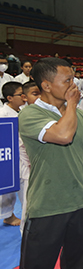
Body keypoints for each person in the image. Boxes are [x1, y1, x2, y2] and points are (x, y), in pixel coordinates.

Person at [18, 57, 83, 268]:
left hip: (81, 204)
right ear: (46, 85)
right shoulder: (30, 114)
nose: (73, 85)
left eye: (73, 79)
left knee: (78, 263)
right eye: (67, 81)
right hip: (47, 208)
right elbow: (63, 135)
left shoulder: (81, 116)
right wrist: (73, 104)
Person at [0, 81, 24, 227]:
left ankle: (9, 215)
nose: (23, 96)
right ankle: (8, 215)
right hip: (7, 154)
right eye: (20, 94)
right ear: (10, 98)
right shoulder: (3, 114)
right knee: (6, 189)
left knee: (15, 187)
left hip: (18, 153)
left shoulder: (19, 111)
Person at [18, 81, 41, 234]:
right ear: (24, 97)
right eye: (35, 94)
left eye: (41, 93)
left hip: (44, 166)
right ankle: (26, 233)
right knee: (29, 202)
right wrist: (32, 163)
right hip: (30, 166)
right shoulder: (22, 116)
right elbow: (22, 146)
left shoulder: (43, 114)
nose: (39, 97)